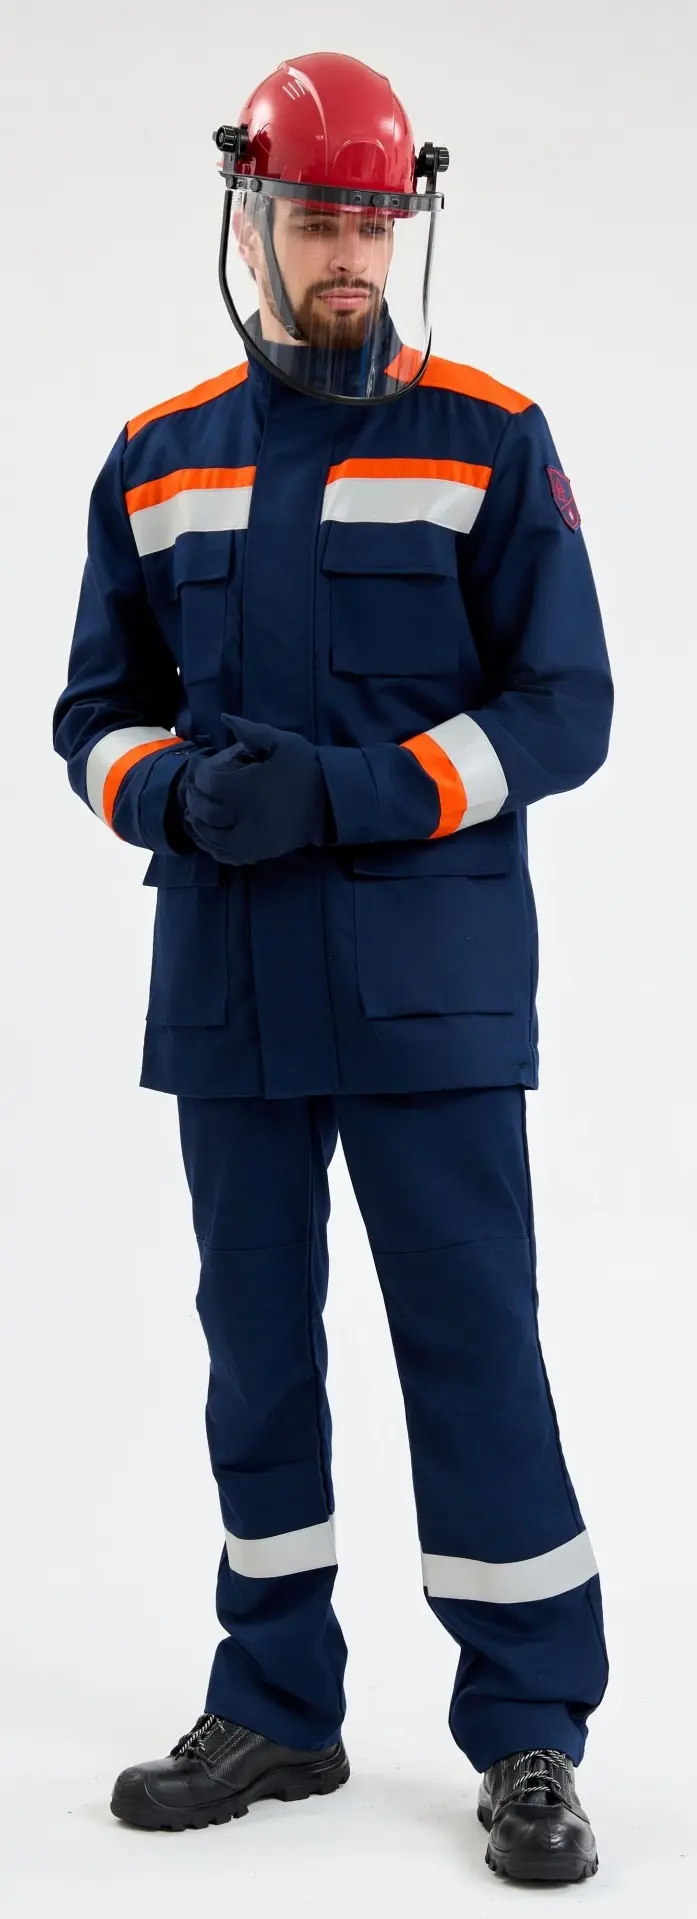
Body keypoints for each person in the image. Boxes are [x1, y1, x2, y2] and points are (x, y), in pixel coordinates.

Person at [52, 49, 613, 1883]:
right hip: (231, 987)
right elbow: (90, 714)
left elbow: (568, 707)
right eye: (317, 216)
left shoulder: (490, 438)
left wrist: (356, 791)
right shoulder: (157, 460)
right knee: (254, 1356)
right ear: (253, 219)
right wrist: (170, 794)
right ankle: (278, 1701)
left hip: (432, 993)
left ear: (407, 220)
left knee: (476, 1350)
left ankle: (529, 1731)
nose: (350, 250)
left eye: (376, 218)